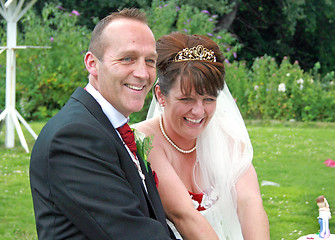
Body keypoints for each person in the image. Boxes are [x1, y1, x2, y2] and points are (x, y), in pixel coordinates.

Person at [29, 8, 176, 239]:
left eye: (150, 61)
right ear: (92, 63)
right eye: (127, 58)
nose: (143, 73)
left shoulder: (110, 126)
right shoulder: (73, 137)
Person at [133, 32, 270, 240]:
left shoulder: (228, 137)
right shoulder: (144, 141)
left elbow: (249, 201)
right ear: (161, 95)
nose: (198, 111)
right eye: (187, 99)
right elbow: (183, 215)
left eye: (208, 99)